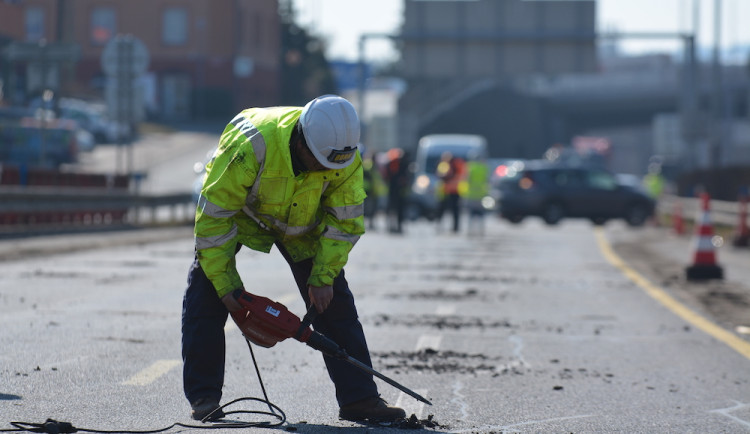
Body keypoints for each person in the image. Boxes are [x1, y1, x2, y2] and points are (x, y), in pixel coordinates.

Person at [182, 95, 406, 423]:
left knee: (336, 306)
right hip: (243, 213)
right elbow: (213, 219)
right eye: (319, 162)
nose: (325, 170)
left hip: (302, 223)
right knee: (207, 291)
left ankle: (359, 399)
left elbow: (345, 222)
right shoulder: (249, 146)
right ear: (300, 140)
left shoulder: (344, 157)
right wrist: (228, 287)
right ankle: (204, 397)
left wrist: (323, 277)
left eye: (332, 166)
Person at [436, 152, 466, 233]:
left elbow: (448, 176)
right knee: (443, 209)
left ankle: (455, 227)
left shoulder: (455, 165)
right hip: (446, 190)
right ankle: (441, 225)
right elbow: (440, 175)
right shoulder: (444, 165)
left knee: (453, 210)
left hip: (453, 190)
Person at [384, 148, 411, 234]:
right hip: (399, 190)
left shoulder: (391, 163)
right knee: (399, 209)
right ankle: (398, 226)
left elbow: (386, 176)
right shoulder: (404, 163)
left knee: (392, 208)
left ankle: (391, 226)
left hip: (393, 189)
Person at [463, 154, 490, 236]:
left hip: (471, 194)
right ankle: (481, 231)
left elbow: (466, 180)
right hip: (481, 194)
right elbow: (487, 180)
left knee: (471, 214)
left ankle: (470, 231)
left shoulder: (470, 167)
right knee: (481, 214)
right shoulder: (484, 168)